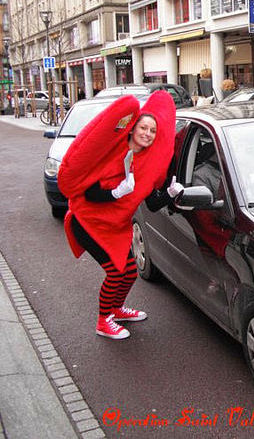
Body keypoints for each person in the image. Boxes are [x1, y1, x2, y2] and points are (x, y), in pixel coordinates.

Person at [57, 91, 184, 340]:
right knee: (116, 272)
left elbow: (151, 202)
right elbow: (88, 193)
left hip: (116, 226)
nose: (147, 133)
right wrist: (115, 193)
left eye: (152, 131)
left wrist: (170, 194)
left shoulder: (148, 161)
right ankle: (103, 321)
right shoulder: (115, 152)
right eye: (143, 127)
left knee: (130, 271)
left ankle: (116, 309)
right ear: (133, 127)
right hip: (89, 222)